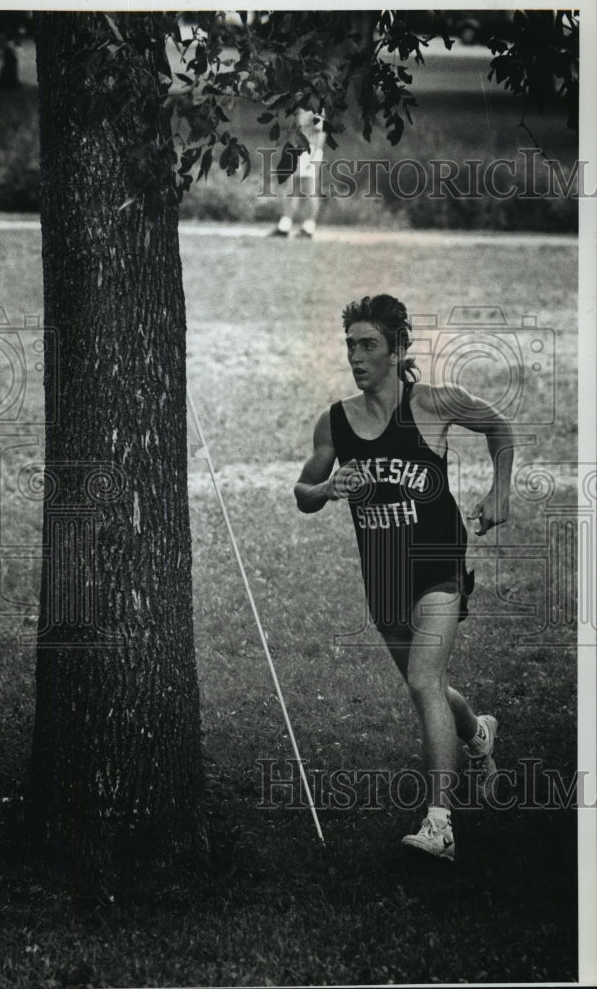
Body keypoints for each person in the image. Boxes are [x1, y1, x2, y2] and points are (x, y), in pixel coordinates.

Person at [294, 294, 514, 861]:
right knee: (432, 687)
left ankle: (439, 822)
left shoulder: (435, 403)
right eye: (350, 346)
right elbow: (303, 493)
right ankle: (478, 734)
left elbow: (499, 427)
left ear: (398, 349)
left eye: (368, 345)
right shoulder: (335, 422)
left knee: (422, 683)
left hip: (439, 565)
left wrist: (499, 491)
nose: (356, 356)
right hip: (384, 577)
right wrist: (327, 489)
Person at [270, 107, 326, 239]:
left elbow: (321, 133)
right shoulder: (300, 103)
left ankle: (308, 227)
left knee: (310, 189)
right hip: (297, 149)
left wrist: (315, 154)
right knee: (291, 187)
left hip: (310, 149)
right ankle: (285, 225)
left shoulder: (316, 105)